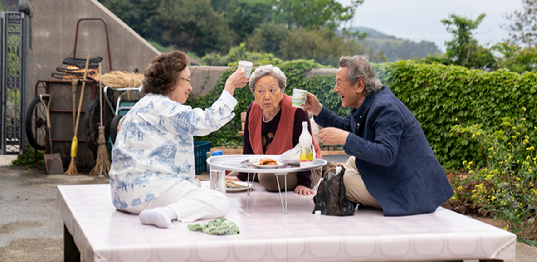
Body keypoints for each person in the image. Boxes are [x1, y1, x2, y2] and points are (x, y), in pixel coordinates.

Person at [109, 51, 248, 228]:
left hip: (122, 197)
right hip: (149, 194)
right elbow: (208, 121)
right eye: (187, 80)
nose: (190, 88)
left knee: (197, 188)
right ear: (170, 81)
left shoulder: (138, 108)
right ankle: (166, 212)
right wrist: (229, 87)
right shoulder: (165, 107)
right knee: (219, 200)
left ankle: (163, 210)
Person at [304, 55, 453, 216]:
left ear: (359, 85)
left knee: (342, 182)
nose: (335, 88)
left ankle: (382, 198)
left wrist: (345, 139)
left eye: (339, 82)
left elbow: (386, 154)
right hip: (394, 171)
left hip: (411, 190)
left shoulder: (386, 108)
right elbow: (346, 127)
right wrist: (318, 109)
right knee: (354, 162)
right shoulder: (366, 104)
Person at [231, 65, 322, 196]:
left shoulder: (296, 107)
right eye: (260, 91)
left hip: (302, 167)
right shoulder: (253, 109)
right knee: (231, 173)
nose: (266, 96)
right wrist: (242, 177)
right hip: (267, 165)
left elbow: (306, 147)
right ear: (253, 92)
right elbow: (248, 147)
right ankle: (257, 173)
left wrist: (304, 182)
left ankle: (260, 174)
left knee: (267, 178)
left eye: (272, 90)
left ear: (282, 89)